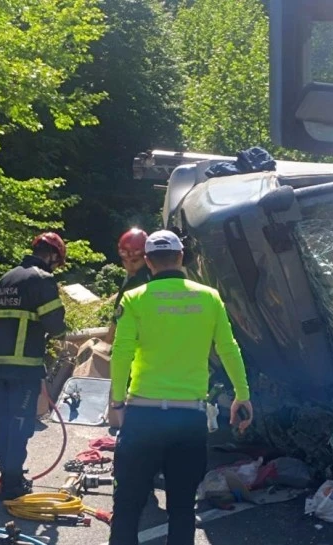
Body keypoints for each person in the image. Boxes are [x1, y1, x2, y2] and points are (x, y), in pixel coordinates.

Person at [108, 230, 253, 545]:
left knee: (128, 504)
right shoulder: (209, 297)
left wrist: (117, 403)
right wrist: (242, 395)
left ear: (147, 261)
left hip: (143, 416)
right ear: (182, 257)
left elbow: (121, 355)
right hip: (189, 417)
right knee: (183, 507)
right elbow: (229, 349)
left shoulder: (135, 298)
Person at [0, 232, 67, 500]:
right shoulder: (42, 280)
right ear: (52, 255)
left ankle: (8, 476)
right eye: (58, 261)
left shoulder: (5, 279)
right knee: (20, 426)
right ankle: (12, 484)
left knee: (5, 424)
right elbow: (55, 325)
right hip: (25, 367)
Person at [104, 228, 151, 344]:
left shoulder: (140, 280)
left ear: (146, 258)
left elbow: (118, 320)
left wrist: (106, 345)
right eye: (125, 261)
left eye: (134, 261)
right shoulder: (131, 277)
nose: (129, 266)